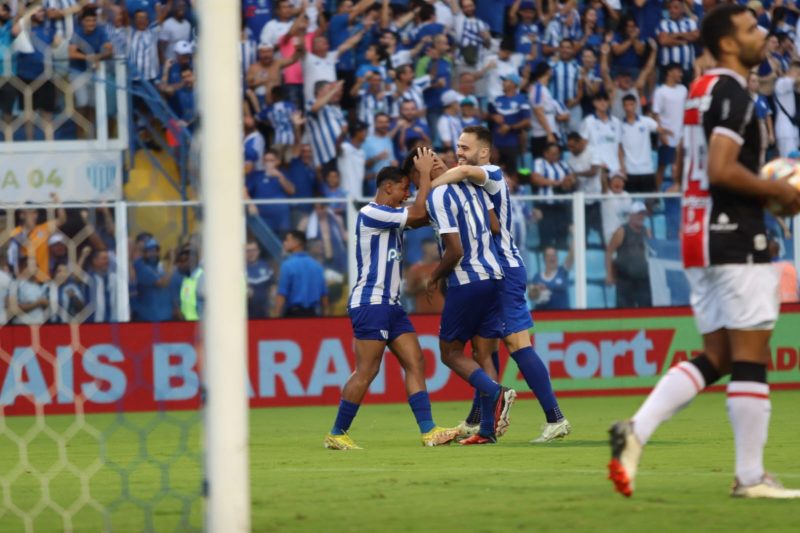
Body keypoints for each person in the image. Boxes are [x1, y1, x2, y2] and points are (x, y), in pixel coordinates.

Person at [608, 4, 800, 500]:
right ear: (730, 44)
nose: (763, 34)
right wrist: (775, 192)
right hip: (735, 236)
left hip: (699, 235)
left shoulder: (701, 91)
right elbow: (720, 169)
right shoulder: (734, 92)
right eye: (752, 28)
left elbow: (688, 171)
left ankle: (636, 430)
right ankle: (751, 476)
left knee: (718, 354)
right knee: (752, 355)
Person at [431, 125, 569, 444]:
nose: (459, 153)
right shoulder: (470, 183)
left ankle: (555, 417)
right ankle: (478, 418)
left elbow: (464, 170)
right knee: (484, 346)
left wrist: (430, 185)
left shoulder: (491, 173)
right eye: (458, 146)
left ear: (484, 153)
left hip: (504, 267)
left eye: (466, 147)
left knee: (517, 344)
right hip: (491, 269)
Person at [325, 150, 458, 450]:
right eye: (403, 189)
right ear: (388, 187)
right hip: (370, 302)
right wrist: (424, 174)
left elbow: (425, 214)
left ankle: (429, 431)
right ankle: (337, 433)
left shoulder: (391, 215)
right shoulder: (370, 213)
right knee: (368, 370)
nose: (405, 195)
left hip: (392, 305)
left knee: (416, 361)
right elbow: (419, 212)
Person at [422, 137, 516, 446]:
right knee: (483, 351)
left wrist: (434, 277)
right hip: (493, 275)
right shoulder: (474, 186)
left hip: (467, 280)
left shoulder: (437, 196)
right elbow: (494, 226)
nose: (439, 160)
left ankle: (495, 392)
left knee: (450, 353)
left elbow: (455, 251)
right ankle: (486, 430)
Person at [605, 201, 652, 308]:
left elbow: (652, 253)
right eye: (638, 214)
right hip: (625, 280)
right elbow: (609, 252)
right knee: (625, 311)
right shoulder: (622, 231)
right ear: (631, 215)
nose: (641, 217)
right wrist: (609, 274)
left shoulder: (647, 232)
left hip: (643, 279)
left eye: (643, 214)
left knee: (646, 309)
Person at [620, 94, 669, 193]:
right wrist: (622, 168)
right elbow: (619, 149)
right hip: (630, 171)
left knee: (649, 202)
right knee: (631, 203)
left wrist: (670, 132)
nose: (629, 107)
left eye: (631, 104)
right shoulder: (619, 125)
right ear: (623, 107)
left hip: (647, 169)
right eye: (626, 105)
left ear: (636, 105)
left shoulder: (646, 121)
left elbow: (659, 130)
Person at [273, 230, 328, 317]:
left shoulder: (287, 265)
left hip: (293, 316)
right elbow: (324, 296)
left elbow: (282, 294)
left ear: (296, 243)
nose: (284, 243)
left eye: (287, 240)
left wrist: (275, 315)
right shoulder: (317, 266)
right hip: (313, 316)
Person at [652, 62, 688, 190]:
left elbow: (686, 111)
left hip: (681, 136)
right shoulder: (660, 91)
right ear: (669, 72)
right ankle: (656, 195)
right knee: (662, 166)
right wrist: (661, 134)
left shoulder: (683, 90)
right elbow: (655, 114)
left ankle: (679, 193)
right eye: (678, 71)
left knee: (680, 166)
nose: (681, 74)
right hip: (667, 136)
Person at [133, 238, 174, 322]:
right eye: (150, 251)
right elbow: (163, 283)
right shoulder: (141, 267)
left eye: (156, 250)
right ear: (144, 252)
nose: (153, 254)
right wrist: (172, 261)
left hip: (164, 316)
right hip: (149, 317)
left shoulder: (158, 265)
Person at [404, 238, 445, 314]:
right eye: (435, 249)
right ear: (426, 249)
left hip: (442, 312)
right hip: (423, 313)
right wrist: (421, 286)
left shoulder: (441, 267)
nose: (437, 251)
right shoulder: (414, 269)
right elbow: (407, 292)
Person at [529, 245, 573, 311]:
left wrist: (574, 236)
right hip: (544, 318)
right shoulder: (537, 277)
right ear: (544, 258)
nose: (552, 258)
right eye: (549, 256)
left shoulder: (562, 272)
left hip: (563, 317)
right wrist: (537, 290)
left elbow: (572, 255)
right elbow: (531, 296)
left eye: (554, 255)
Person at [246, 240, 274, 319]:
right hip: (247, 314)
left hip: (265, 312)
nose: (251, 253)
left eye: (253, 250)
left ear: (258, 251)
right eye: (248, 251)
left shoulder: (266, 266)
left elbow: (273, 285)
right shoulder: (240, 269)